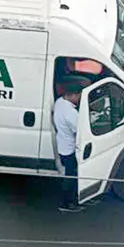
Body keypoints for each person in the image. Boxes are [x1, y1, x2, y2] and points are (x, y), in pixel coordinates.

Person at [53, 82, 84, 213]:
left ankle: (70, 200)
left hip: (61, 145)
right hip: (70, 148)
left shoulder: (59, 102)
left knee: (68, 174)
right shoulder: (71, 113)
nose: (79, 99)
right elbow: (80, 132)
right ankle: (67, 203)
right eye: (78, 96)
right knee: (71, 177)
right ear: (72, 95)